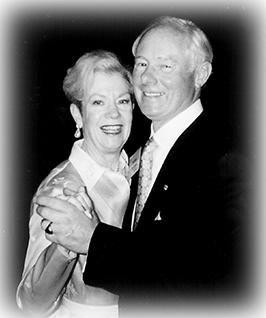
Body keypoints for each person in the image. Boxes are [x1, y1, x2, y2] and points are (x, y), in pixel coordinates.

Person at [34, 16, 250, 315]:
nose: (148, 79)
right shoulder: (134, 152)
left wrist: (92, 240)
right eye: (142, 64)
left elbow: (208, 278)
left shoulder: (229, 160)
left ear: (201, 73)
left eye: (166, 65)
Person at [16, 50, 135, 317]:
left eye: (123, 101)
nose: (114, 113)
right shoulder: (60, 189)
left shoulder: (141, 168)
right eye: (98, 102)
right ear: (78, 116)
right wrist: (66, 245)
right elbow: (30, 303)